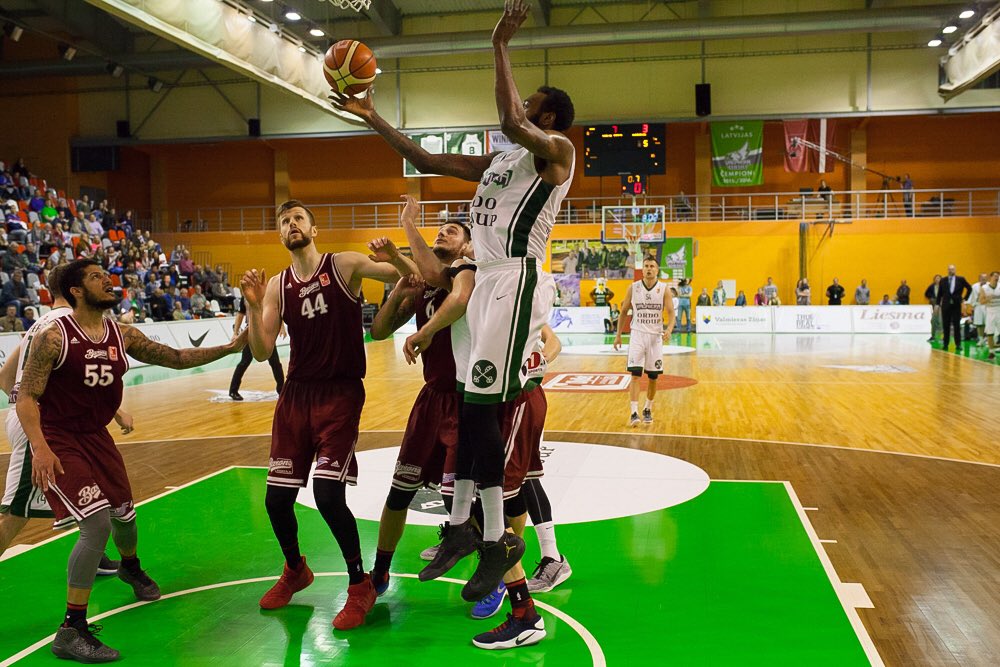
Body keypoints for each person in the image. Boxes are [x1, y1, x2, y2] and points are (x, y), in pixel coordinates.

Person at [333, 0, 574, 650]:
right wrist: (372, 116)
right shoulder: (497, 166)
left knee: (487, 413)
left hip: (518, 276)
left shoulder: (555, 151)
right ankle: (480, 534)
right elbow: (421, 155)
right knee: (473, 410)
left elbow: (509, 117)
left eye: (532, 103)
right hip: (490, 279)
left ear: (545, 114)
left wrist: (500, 44)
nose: (520, 111)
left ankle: (492, 538)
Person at [15, 258, 245, 663]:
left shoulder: (123, 335)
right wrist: (40, 447)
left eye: (106, 274)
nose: (108, 280)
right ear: (76, 292)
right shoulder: (54, 336)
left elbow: (174, 357)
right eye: (96, 277)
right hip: (60, 437)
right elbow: (26, 397)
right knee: (96, 525)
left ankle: (131, 566)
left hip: (96, 436)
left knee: (125, 513)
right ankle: (71, 628)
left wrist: (227, 347)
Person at [240, 200, 400, 631]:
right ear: (280, 235)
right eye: (284, 222)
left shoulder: (343, 263)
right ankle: (295, 570)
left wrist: (396, 257)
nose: (291, 225)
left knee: (328, 494)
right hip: (296, 398)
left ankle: (359, 583)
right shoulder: (277, 285)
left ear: (314, 227)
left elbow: (400, 274)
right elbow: (261, 351)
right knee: (276, 500)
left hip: (340, 394)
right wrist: (254, 307)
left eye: (297, 219)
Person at [363, 199, 471, 598]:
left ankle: (495, 576)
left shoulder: (466, 274)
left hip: (467, 399)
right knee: (400, 491)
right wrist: (396, 288)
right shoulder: (425, 282)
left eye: (452, 231)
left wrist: (406, 228)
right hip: (431, 399)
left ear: (466, 247)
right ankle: (380, 571)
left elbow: (431, 272)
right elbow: (378, 331)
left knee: (465, 497)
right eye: (439, 228)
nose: (442, 232)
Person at [0, 265, 121, 580]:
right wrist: (34, 411)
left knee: (87, 490)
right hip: (39, 424)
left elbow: (5, 378)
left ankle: (93, 553)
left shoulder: (42, 322)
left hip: (34, 417)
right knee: (16, 515)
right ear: (74, 289)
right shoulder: (66, 326)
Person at [614, 256, 675, 426]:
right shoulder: (633, 288)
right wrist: (618, 334)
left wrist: (669, 329)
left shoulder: (664, 289)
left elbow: (671, 313)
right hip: (637, 334)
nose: (649, 269)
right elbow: (624, 311)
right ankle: (634, 412)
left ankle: (647, 408)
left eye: (652, 266)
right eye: (646, 266)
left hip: (655, 337)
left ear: (657, 269)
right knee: (635, 374)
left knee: (653, 377)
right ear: (643, 269)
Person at [228, 296, 284, 401]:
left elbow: (276, 310)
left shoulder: (266, 293)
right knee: (245, 361)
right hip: (251, 332)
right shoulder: (245, 297)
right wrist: (235, 332)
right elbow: (240, 314)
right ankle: (233, 390)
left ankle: (282, 390)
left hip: (266, 332)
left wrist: (281, 327)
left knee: (275, 362)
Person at [939, 265, 972, 351]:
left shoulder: (961, 279)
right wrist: (937, 304)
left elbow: (969, 288)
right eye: (949, 269)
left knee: (957, 325)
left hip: (956, 305)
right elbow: (940, 293)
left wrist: (964, 299)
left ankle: (958, 344)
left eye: (952, 269)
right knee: (946, 325)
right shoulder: (943, 280)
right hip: (946, 305)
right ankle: (945, 344)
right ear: (947, 270)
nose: (951, 271)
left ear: (955, 270)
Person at [980, 271, 999, 360]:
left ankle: (996, 346)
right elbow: (981, 301)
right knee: (990, 333)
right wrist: (988, 298)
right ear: (990, 277)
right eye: (995, 276)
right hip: (990, 311)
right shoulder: (984, 288)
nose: (997, 277)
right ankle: (992, 352)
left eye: (998, 276)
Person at [967, 273, 988, 346]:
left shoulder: (989, 285)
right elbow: (972, 297)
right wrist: (973, 306)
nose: (984, 279)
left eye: (985, 278)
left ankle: (987, 339)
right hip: (978, 306)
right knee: (979, 324)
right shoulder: (975, 286)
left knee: (987, 323)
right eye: (982, 278)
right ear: (979, 278)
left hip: (987, 306)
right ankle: (981, 339)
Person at [925, 274, 943, 343]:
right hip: (934, 305)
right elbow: (926, 293)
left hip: (941, 305)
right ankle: (933, 336)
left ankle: (942, 337)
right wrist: (931, 297)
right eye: (936, 278)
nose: (937, 279)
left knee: (941, 321)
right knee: (933, 321)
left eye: (939, 278)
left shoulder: (943, 286)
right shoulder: (932, 286)